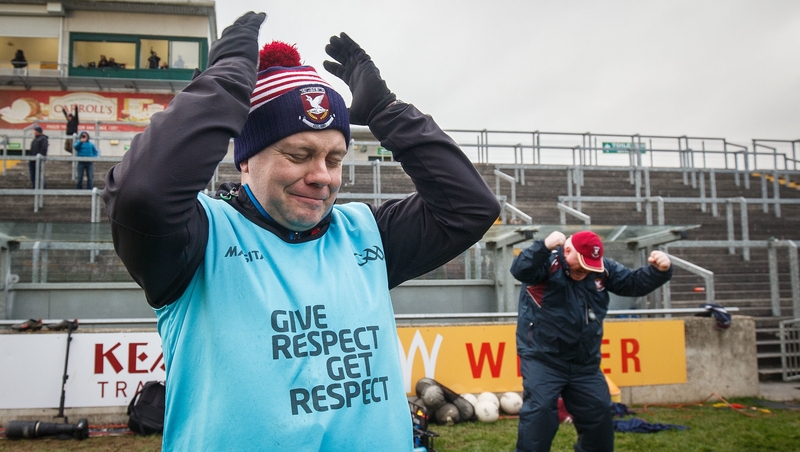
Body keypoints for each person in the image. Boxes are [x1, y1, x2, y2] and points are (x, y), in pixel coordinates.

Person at [103, 12, 499, 452]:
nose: (322, 176)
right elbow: (140, 195)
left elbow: (470, 208)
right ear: (247, 159)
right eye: (298, 154)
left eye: (334, 159)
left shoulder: (365, 233)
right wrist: (226, 85)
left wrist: (388, 113)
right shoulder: (198, 237)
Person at [511, 230, 672, 452]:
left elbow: (632, 283)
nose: (587, 270)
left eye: (592, 265)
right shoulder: (546, 263)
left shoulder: (601, 267)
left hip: (584, 363)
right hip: (543, 358)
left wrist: (659, 271)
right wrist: (543, 246)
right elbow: (521, 269)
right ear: (567, 251)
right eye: (583, 264)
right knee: (539, 416)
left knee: (599, 416)